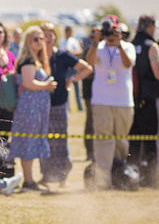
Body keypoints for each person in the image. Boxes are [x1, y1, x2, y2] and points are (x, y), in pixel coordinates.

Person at [86, 15, 136, 190]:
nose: (111, 36)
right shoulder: (98, 47)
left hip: (124, 102)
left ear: (121, 32)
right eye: (108, 32)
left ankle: (119, 174)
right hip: (101, 101)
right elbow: (90, 63)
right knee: (102, 140)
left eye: (114, 32)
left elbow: (128, 64)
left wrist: (119, 44)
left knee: (121, 141)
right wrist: (95, 42)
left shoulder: (128, 46)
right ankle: (102, 179)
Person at [40, 22, 92, 186]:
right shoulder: (36, 57)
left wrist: (72, 79)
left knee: (60, 141)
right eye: (44, 35)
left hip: (60, 103)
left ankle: (62, 176)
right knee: (44, 140)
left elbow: (87, 68)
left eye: (50, 34)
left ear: (55, 37)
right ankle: (46, 176)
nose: (47, 38)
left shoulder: (62, 56)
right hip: (41, 105)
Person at [8, 26, 56, 192]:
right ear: (28, 41)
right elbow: (28, 82)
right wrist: (47, 85)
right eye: (35, 39)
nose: (40, 42)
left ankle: (30, 180)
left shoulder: (37, 59)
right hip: (29, 108)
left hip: (36, 107)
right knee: (27, 141)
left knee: (32, 141)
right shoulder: (27, 60)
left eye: (41, 39)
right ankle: (28, 181)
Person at [128, 15, 159, 188]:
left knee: (134, 140)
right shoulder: (152, 47)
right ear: (151, 27)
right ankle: (153, 178)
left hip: (132, 99)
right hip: (150, 100)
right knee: (153, 140)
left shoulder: (129, 45)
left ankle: (132, 177)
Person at [81, 24, 102, 161]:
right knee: (91, 122)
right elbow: (86, 69)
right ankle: (90, 151)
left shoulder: (106, 49)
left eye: (98, 32)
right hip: (90, 93)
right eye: (93, 33)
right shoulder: (89, 50)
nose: (95, 35)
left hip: (103, 93)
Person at [59, 25, 85, 111]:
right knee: (66, 87)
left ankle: (79, 106)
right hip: (66, 68)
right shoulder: (61, 41)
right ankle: (67, 106)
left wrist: (70, 54)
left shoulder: (74, 41)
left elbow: (80, 52)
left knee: (77, 89)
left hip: (74, 68)